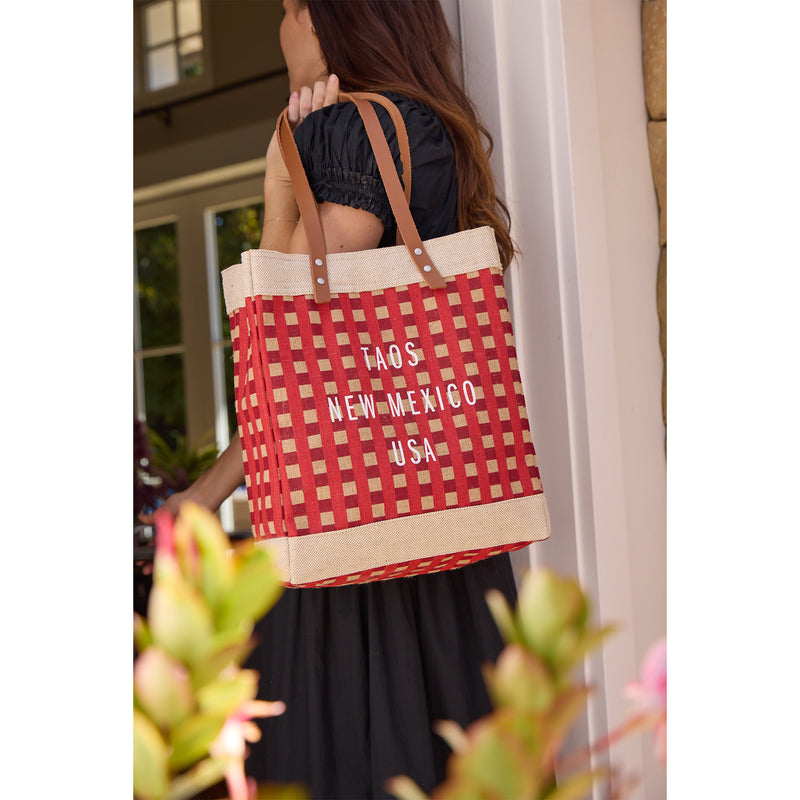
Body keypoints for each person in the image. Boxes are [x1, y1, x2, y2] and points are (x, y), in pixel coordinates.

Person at [143, 0, 522, 797]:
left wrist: (280, 182)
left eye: (289, 9)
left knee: (349, 755)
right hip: (437, 526)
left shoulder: (343, 133)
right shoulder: (425, 129)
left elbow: (287, 342)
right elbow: (326, 387)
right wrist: (211, 490)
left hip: (353, 551)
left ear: (330, 23)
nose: (282, 25)